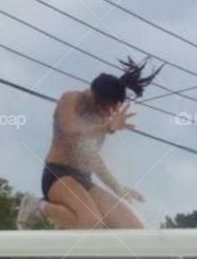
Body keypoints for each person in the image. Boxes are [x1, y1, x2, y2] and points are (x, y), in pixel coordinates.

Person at [16, 57, 161, 230]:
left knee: (132, 228)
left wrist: (118, 187)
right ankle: (37, 206)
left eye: (113, 109)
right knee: (91, 222)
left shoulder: (100, 119)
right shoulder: (70, 99)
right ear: (94, 96)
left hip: (83, 179)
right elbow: (70, 132)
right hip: (58, 175)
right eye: (107, 107)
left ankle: (67, 224)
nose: (109, 112)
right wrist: (107, 128)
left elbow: (92, 157)